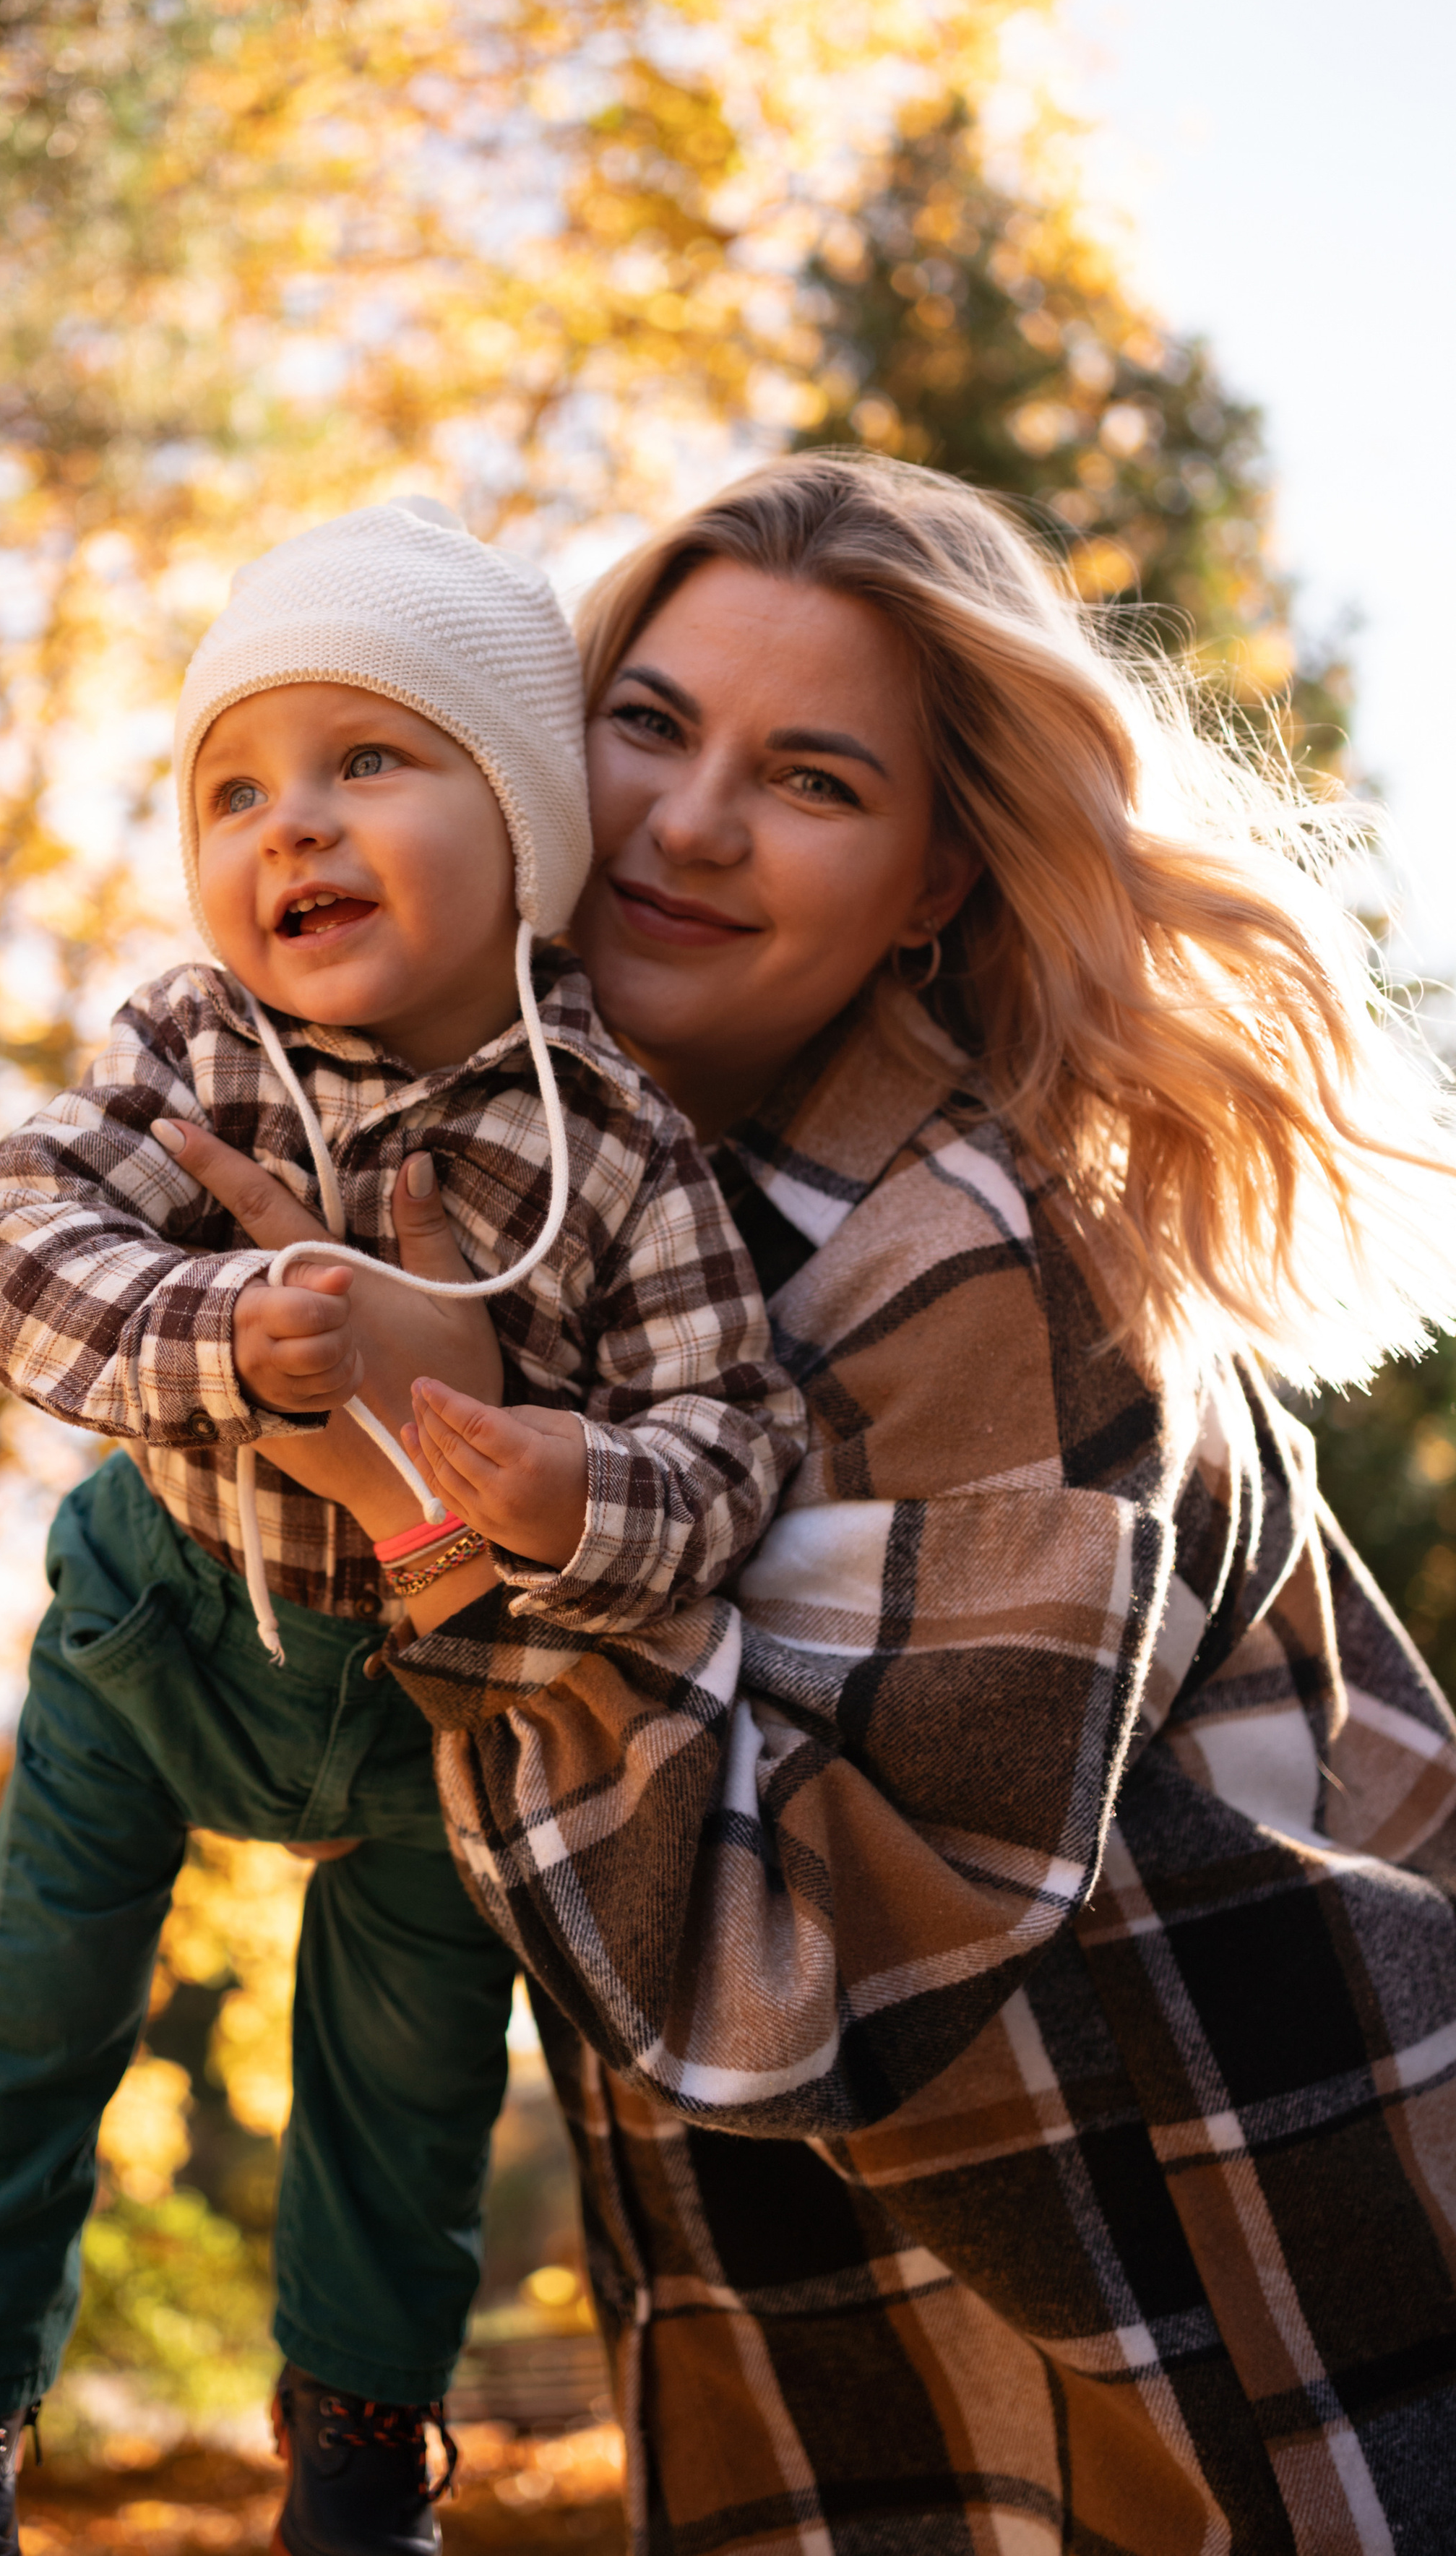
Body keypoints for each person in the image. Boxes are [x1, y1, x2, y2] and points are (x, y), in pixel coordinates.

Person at [173, 454, 1456, 2551]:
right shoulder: (578, 1213)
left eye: (813, 780)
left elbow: (789, 1989)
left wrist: (437, 1513)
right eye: (650, 725)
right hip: (859, 2368)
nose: (688, 823)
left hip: (1257, 2342)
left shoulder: (975, 1267)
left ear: (932, 884)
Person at [0, 500, 803, 2556]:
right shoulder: (202, 1046)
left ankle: (362, 2454)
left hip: (448, 1682)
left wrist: (577, 1489)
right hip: (169, 1625)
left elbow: (732, 1434)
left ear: (525, 823)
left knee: (411, 2075)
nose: (293, 823)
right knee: (29, 2015)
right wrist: (217, 1329)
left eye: (369, 759)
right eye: (237, 788)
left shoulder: (613, 1141)